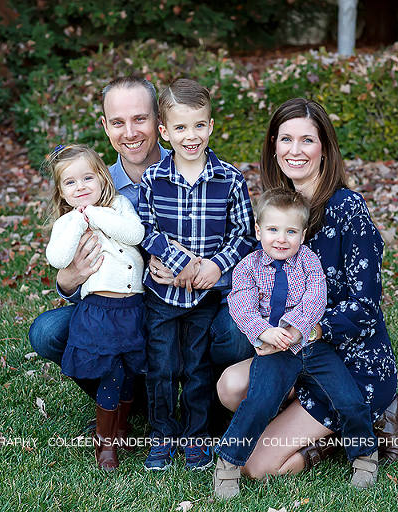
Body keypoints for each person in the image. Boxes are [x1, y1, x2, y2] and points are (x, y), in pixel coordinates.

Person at [28, 77, 254, 424]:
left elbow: (239, 241)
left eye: (140, 119)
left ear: (159, 123)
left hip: (198, 303)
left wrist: (200, 268)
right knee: (48, 331)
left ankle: (213, 408)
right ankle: (129, 401)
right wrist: (69, 279)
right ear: (105, 126)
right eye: (118, 122)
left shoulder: (201, 168)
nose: (130, 132)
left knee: (236, 331)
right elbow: (73, 254)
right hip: (126, 309)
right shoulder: (93, 185)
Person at [216, 98, 398, 487]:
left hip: (348, 359)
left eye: (308, 140)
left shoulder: (348, 209)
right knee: (230, 386)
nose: (295, 150)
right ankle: (331, 426)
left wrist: (312, 329)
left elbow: (365, 307)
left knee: (258, 467)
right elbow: (253, 278)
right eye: (286, 139)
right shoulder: (279, 210)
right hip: (289, 351)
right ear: (273, 145)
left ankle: (367, 420)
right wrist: (263, 330)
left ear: (325, 148)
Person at [212, 188, 380, 498]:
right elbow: (241, 305)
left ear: (302, 235)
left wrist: (295, 328)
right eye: (273, 230)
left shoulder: (309, 261)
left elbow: (315, 299)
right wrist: (264, 332)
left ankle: (364, 457)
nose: (281, 238)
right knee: (258, 403)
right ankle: (228, 464)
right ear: (259, 230)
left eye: (290, 231)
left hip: (310, 347)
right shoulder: (248, 268)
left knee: (348, 398)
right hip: (274, 350)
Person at [139, 78, 255, 472]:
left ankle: (196, 437)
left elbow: (244, 236)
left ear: (211, 125)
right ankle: (162, 435)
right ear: (164, 131)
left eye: (199, 125)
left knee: (197, 369)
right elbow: (146, 229)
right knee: (161, 368)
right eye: (181, 127)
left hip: (205, 297)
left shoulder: (230, 179)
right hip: (163, 295)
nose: (192, 136)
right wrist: (178, 262)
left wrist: (215, 265)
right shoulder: (154, 179)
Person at [43, 144, 146, 471]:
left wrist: (97, 214)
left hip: (133, 308)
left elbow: (135, 233)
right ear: (62, 192)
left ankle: (121, 427)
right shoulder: (67, 222)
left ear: (102, 179)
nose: (81, 187)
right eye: (70, 183)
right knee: (111, 373)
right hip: (99, 311)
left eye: (88, 177)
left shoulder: (118, 205)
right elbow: (57, 259)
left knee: (130, 372)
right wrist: (78, 220)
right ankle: (105, 445)